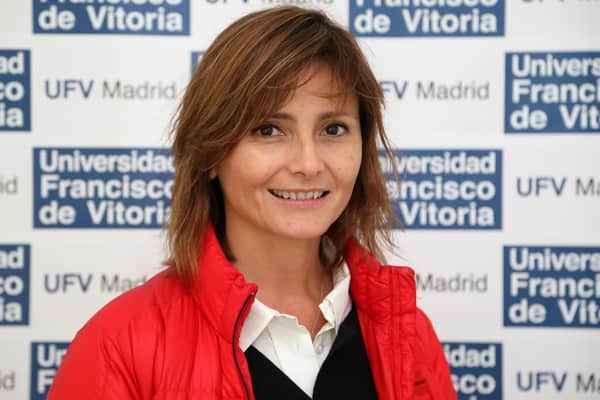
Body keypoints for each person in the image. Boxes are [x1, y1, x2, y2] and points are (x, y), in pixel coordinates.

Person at [49, 6, 456, 400]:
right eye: (268, 130)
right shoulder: (119, 344)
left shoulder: (408, 337)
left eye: (333, 129)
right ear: (210, 153)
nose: (308, 164)